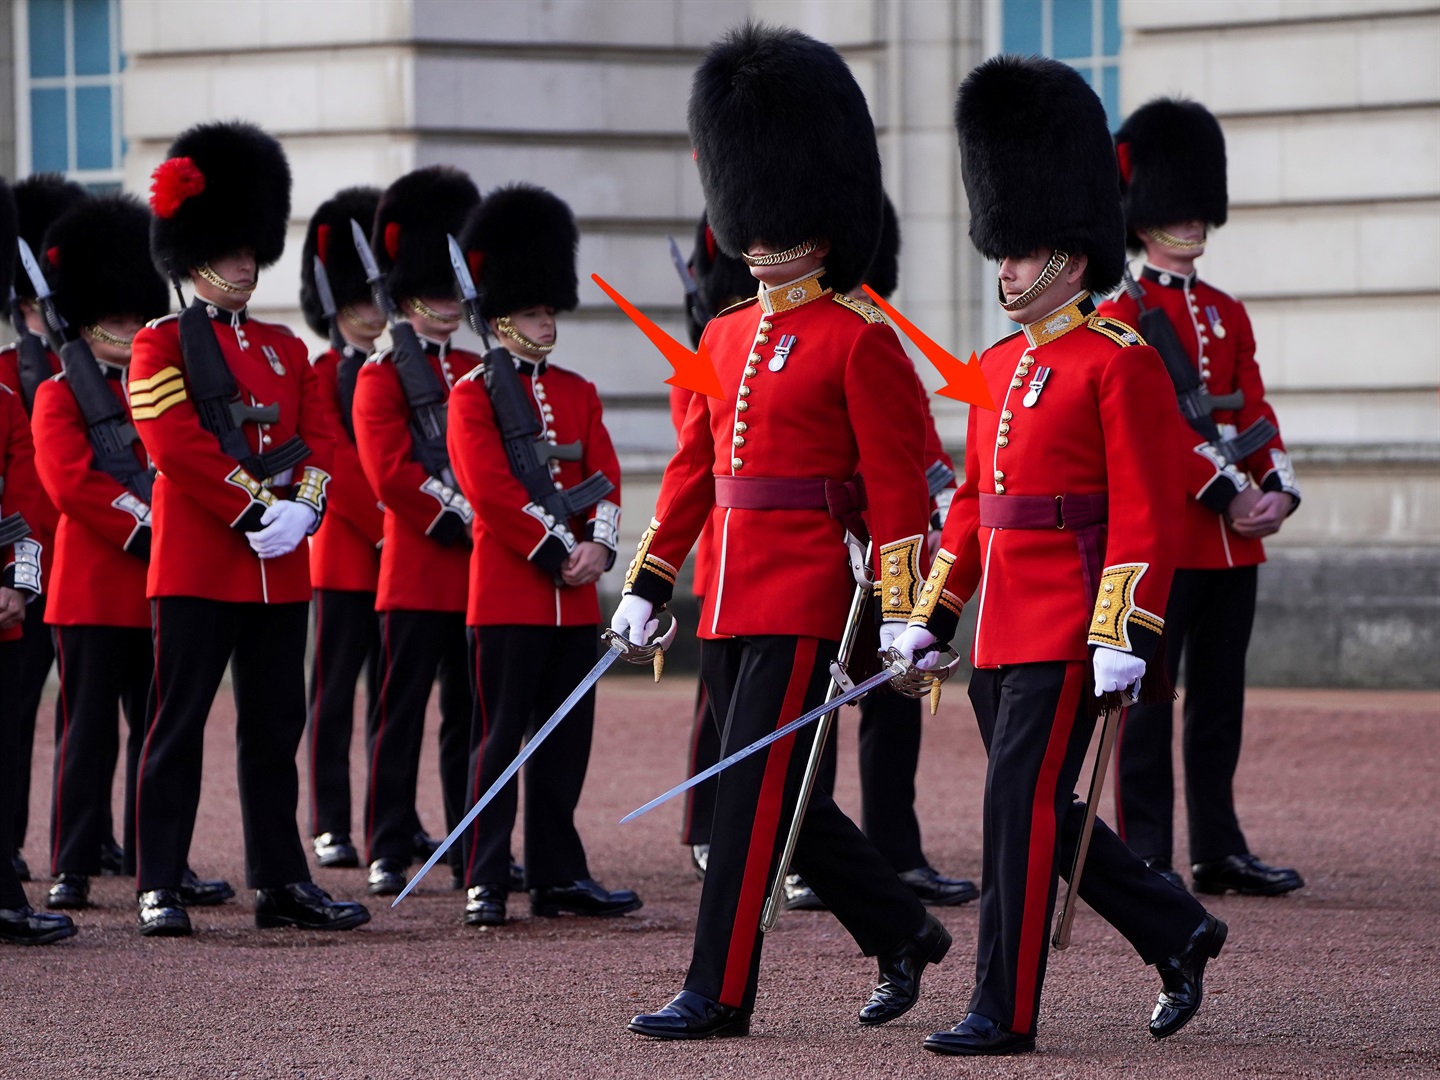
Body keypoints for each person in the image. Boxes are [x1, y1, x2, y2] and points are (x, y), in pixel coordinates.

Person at [614, 23, 949, 1040]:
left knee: (746, 799)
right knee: (764, 790)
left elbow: (899, 490)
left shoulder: (860, 340)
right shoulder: (721, 334)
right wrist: (645, 581)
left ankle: (716, 990)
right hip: (726, 585)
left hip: (809, 590)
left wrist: (902, 614)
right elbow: (691, 475)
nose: (757, 233)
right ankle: (901, 928)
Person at [889, 55, 1226, 1056]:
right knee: (1042, 803)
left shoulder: (1119, 362)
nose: (1004, 270)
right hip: (1003, 629)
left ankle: (1004, 1008)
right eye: (1000, 252)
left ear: (1070, 259)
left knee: (1016, 811)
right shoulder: (997, 368)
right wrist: (930, 614)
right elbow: (976, 513)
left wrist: (1124, 630)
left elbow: (1148, 509)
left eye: (1020, 254)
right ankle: (1177, 927)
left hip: (1077, 625)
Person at [130, 120, 368, 937]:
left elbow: (322, 436)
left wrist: (306, 505)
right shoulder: (159, 345)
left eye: (250, 249)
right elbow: (175, 445)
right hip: (201, 563)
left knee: (276, 728)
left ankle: (280, 881)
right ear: (194, 251)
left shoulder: (281, 348)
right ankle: (157, 880)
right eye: (231, 249)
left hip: (280, 567)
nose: (245, 262)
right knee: (179, 725)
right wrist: (256, 506)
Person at [1098, 98, 1304, 897]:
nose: (1191, 223)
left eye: (1196, 209)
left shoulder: (1226, 312)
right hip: (1171, 536)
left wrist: (1276, 490)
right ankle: (1146, 853)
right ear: (1144, 215)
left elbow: (1251, 407)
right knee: (1149, 700)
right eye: (1175, 209)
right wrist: (1224, 493)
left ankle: (1218, 846)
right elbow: (1153, 428)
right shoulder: (1123, 316)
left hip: (1236, 539)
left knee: (1219, 702)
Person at [31, 193, 230, 912]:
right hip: (93, 588)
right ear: (86, 325)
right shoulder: (59, 395)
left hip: (157, 589)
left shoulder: (161, 383)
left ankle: (160, 864)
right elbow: (71, 484)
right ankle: (74, 863)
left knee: (160, 733)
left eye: (129, 317)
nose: (125, 330)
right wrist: (146, 526)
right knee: (88, 738)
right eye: (113, 321)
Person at [448, 182, 639, 927]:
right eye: (533, 311)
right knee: (499, 741)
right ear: (502, 318)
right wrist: (557, 545)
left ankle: (558, 873)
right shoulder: (473, 394)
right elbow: (489, 489)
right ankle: (485, 874)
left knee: (564, 745)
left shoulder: (578, 390)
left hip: (574, 594)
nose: (547, 321)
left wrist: (599, 545)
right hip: (509, 591)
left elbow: (607, 473)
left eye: (550, 309)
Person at [352, 166, 479, 897]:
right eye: (434, 294)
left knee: (469, 717)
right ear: (405, 298)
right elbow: (392, 473)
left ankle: (468, 842)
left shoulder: (475, 368)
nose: (448, 305)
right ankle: (388, 842)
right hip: (420, 564)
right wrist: (463, 514)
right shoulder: (380, 375)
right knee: (399, 718)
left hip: (479, 574)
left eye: (452, 293)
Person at [0, 174, 85, 882]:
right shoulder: (9, 375)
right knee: (18, 711)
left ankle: (88, 842)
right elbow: (24, 487)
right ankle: (13, 842)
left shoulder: (86, 369)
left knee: (90, 716)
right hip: (32, 563)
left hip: (90, 556)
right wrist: (21, 575)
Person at [298, 186, 386, 871]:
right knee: (332, 698)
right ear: (333, 304)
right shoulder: (322, 372)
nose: (372, 313)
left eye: (376, 300)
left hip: (401, 555)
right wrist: (389, 523)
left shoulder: (397, 371)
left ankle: (395, 818)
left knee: (393, 699)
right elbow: (332, 456)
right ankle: (330, 821)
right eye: (359, 302)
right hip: (346, 555)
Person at [672, 210, 754, 880]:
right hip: (721, 552)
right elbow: (695, 458)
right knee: (715, 708)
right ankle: (704, 821)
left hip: (767, 561)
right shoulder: (704, 359)